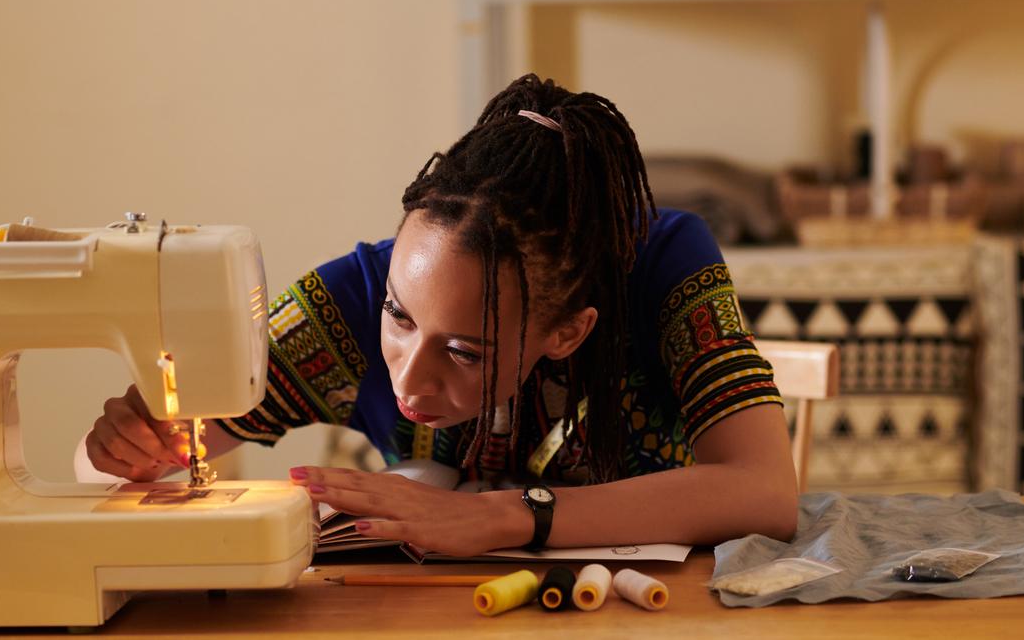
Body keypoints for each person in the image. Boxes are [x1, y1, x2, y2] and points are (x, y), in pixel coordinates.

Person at [84, 74, 798, 556]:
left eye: (464, 352)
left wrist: (499, 516)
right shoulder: (346, 301)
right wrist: (127, 450)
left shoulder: (665, 264)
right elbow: (170, 444)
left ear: (569, 331)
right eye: (399, 318)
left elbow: (765, 491)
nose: (411, 384)